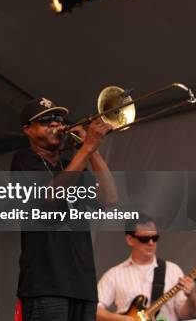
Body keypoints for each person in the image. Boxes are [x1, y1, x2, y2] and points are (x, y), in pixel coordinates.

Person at [11, 97, 118, 321]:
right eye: (46, 121)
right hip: (46, 283)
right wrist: (87, 148)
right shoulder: (24, 160)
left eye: (58, 119)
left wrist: (92, 150)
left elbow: (109, 198)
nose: (56, 124)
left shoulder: (73, 163)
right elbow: (50, 197)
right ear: (28, 130)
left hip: (83, 284)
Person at [97, 216, 196, 321]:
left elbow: (187, 315)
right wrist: (118, 319)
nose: (151, 243)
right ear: (130, 240)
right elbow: (93, 309)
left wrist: (192, 297)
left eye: (154, 238)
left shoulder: (173, 270)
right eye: (144, 239)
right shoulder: (114, 274)